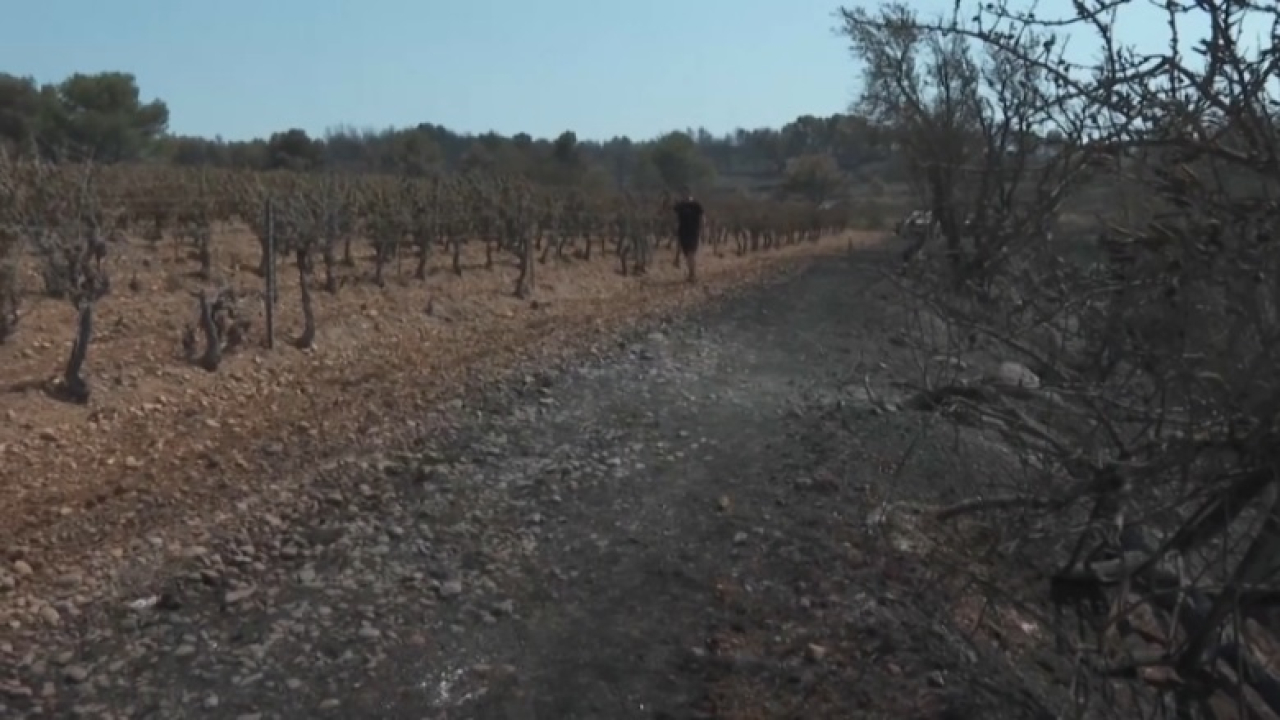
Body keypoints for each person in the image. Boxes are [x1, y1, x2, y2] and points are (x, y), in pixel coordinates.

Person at [672, 190, 704, 283]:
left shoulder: (696, 205)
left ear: (690, 194)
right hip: (682, 232)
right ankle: (691, 273)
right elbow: (674, 217)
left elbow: (702, 218)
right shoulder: (680, 206)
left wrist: (702, 231)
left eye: (685, 194)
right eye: (682, 194)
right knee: (687, 254)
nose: (684, 195)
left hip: (693, 231)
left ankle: (692, 274)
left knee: (691, 253)